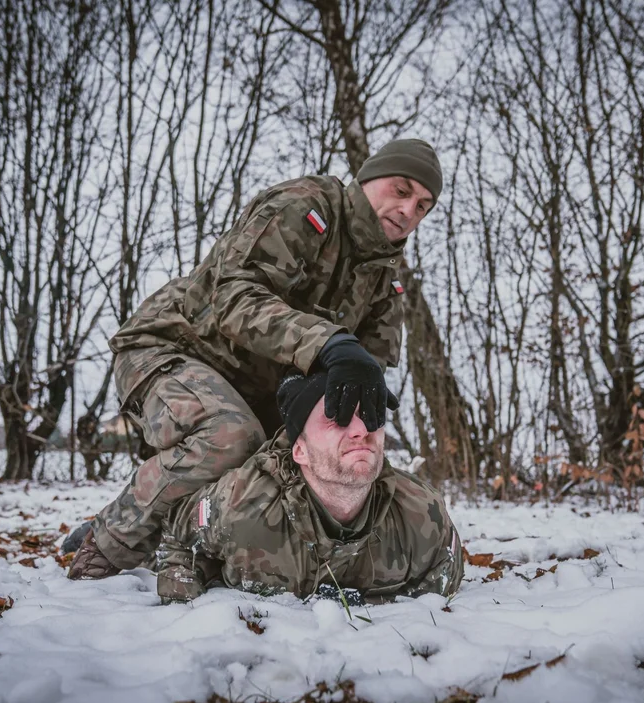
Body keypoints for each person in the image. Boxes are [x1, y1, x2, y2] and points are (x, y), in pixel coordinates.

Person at [68, 139, 444, 580]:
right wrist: (327, 343)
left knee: (301, 461)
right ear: (367, 179)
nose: (408, 210)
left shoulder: (386, 283)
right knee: (229, 436)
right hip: (172, 347)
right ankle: (107, 546)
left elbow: (363, 372)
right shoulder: (306, 208)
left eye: (423, 206)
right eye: (401, 190)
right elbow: (233, 297)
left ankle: (185, 539)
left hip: (258, 390)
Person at [154, 371, 464, 602]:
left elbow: (444, 573)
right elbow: (178, 534)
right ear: (300, 451)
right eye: (336, 417)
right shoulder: (241, 503)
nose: (362, 430)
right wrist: (186, 602)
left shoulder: (421, 515)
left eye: (370, 415)